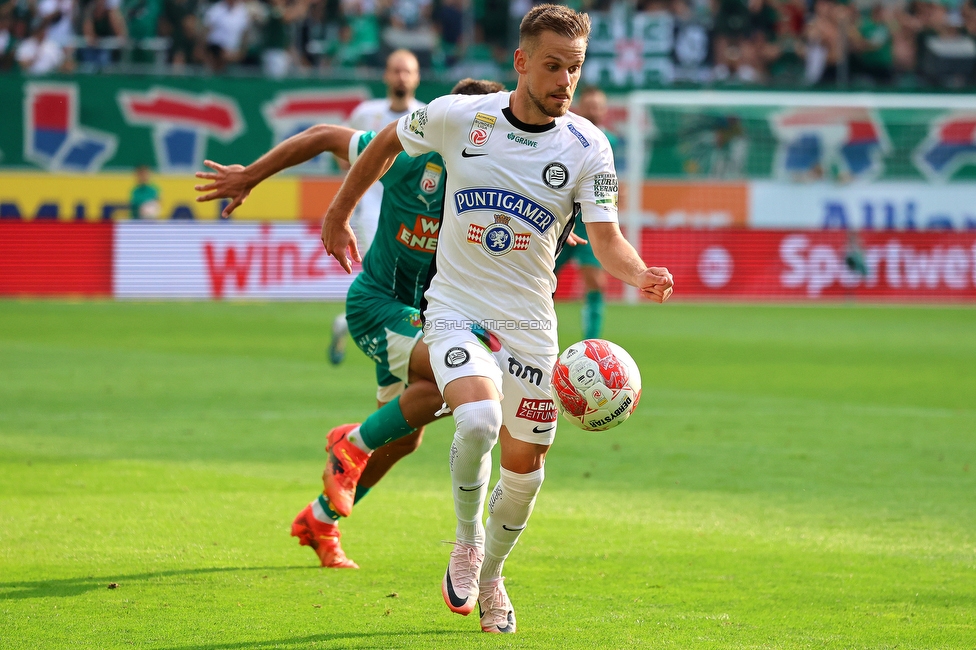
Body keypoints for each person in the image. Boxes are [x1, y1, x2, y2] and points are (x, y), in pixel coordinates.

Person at [319, 4, 674, 634]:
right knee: (478, 418)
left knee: (525, 471)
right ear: (521, 62)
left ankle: (493, 579)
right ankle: (466, 539)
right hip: (455, 308)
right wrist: (338, 212)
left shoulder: (589, 146)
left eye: (575, 68)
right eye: (552, 65)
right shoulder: (463, 118)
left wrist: (640, 271)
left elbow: (608, 238)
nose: (566, 80)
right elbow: (382, 142)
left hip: (531, 326)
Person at [193, 78, 506, 569]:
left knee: (405, 435)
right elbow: (322, 134)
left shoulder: (499, 183)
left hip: (428, 319)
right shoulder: (411, 158)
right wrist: (250, 175)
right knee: (453, 383)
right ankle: (350, 441)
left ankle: (320, 519)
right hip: (378, 307)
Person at [328, 49, 425, 366]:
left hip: (411, 214)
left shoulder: (427, 115)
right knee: (386, 282)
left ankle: (347, 323)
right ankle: (394, 346)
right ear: (386, 75)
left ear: (417, 77)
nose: (401, 77)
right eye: (396, 70)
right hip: (371, 212)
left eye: (407, 71)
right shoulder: (364, 113)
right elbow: (341, 153)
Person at [554, 86, 617, 340]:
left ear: (605, 110)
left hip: (590, 223)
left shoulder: (610, 141)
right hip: (560, 222)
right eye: (589, 105)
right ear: (580, 107)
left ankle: (592, 340)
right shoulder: (565, 135)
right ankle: (533, 332)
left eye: (598, 105)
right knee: (542, 280)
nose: (594, 110)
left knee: (596, 282)